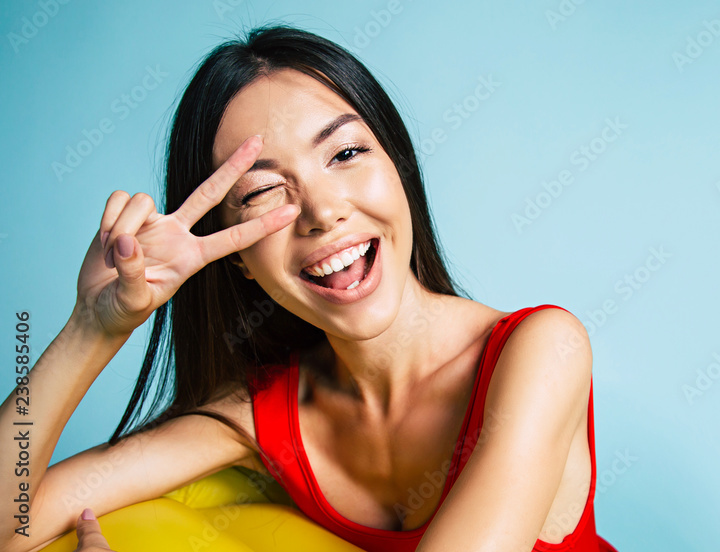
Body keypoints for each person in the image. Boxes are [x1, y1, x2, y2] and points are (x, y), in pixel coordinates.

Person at [1, 25, 617, 552]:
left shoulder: (543, 349)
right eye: (263, 192)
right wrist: (94, 327)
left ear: (398, 166)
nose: (323, 213)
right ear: (238, 259)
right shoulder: (262, 414)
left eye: (345, 153)